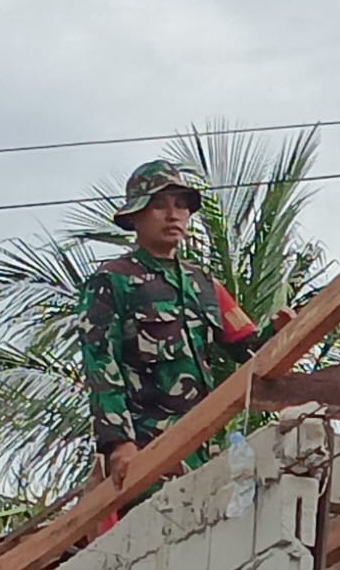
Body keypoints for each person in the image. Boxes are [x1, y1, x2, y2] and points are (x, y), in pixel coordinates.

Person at [77, 159, 294, 492]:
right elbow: (101, 367)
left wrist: (280, 333)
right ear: (135, 216)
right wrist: (118, 444)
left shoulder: (203, 284)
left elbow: (249, 347)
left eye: (181, 205)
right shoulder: (113, 281)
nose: (173, 214)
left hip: (201, 447)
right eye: (159, 205)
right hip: (146, 450)